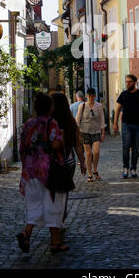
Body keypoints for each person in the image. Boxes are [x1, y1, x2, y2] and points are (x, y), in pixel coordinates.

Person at [17, 92, 69, 254]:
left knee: (35, 204)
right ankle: (56, 242)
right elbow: (54, 145)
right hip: (48, 170)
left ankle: (26, 234)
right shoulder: (50, 123)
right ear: (50, 108)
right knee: (52, 204)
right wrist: (61, 140)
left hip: (30, 171)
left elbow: (22, 148)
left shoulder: (28, 124)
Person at [51, 93, 87, 221]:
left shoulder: (49, 122)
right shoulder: (71, 123)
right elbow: (77, 145)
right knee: (62, 193)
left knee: (52, 192)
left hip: (51, 162)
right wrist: (82, 163)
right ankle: (60, 219)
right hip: (68, 162)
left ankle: (54, 221)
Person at [113, 75, 139, 179]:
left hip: (138, 125)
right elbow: (117, 110)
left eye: (129, 82)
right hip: (126, 124)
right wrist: (115, 123)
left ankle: (133, 168)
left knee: (135, 149)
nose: (127, 84)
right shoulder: (123, 94)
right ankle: (125, 168)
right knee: (126, 146)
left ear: (135, 82)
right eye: (126, 82)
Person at [76, 88, 105, 183]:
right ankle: (90, 174)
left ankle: (95, 169)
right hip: (85, 132)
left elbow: (102, 119)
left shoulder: (99, 106)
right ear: (87, 96)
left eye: (92, 96)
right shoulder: (82, 106)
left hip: (96, 131)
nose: (91, 98)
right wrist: (78, 133)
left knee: (96, 152)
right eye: (89, 96)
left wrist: (103, 132)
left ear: (95, 96)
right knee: (88, 154)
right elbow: (77, 120)